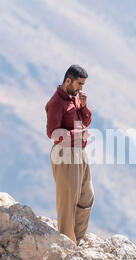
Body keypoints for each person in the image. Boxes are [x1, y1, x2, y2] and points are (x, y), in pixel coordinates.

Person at [45, 64, 94, 246]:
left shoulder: (74, 98)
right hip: (64, 154)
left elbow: (86, 120)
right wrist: (78, 134)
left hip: (80, 152)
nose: (81, 88)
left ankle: (77, 238)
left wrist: (84, 105)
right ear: (68, 80)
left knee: (86, 196)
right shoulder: (55, 103)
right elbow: (53, 134)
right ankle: (66, 244)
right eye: (79, 84)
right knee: (68, 200)